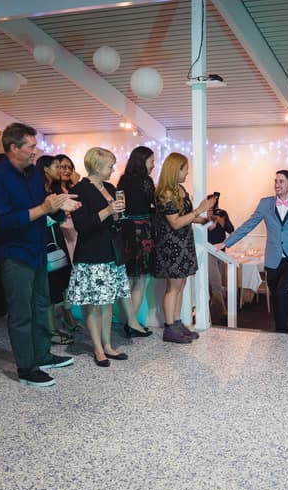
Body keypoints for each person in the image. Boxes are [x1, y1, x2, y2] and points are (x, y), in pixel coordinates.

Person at [0, 123, 79, 387]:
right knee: (21, 312)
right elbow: (4, 220)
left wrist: (61, 208)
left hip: (37, 250)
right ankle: (26, 368)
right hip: (15, 253)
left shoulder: (34, 174)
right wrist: (44, 208)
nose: (36, 151)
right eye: (31, 146)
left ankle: (43, 355)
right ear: (14, 148)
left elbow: (44, 207)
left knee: (40, 306)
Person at [219, 170, 288, 333]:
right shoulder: (265, 204)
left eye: (281, 181)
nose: (277, 185)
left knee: (282, 292)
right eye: (276, 181)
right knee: (276, 295)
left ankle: (282, 331)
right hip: (272, 259)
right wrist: (226, 243)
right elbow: (248, 225)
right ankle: (279, 328)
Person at [67, 147, 130, 366]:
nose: (113, 169)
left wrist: (118, 214)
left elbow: (116, 219)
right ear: (96, 166)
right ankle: (97, 348)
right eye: (110, 166)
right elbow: (82, 226)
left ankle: (108, 345)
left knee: (107, 303)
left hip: (111, 252)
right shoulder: (79, 190)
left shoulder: (110, 188)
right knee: (93, 305)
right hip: (91, 254)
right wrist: (108, 211)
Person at [154, 152, 214, 343]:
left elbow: (185, 216)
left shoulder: (180, 189)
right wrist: (199, 209)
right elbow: (175, 222)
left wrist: (203, 220)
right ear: (175, 170)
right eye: (185, 169)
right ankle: (169, 327)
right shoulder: (165, 194)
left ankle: (177, 322)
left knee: (181, 285)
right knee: (173, 287)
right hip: (171, 246)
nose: (187, 173)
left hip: (184, 244)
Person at [116, 146, 156, 338]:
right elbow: (155, 204)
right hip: (142, 232)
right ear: (143, 161)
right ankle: (132, 323)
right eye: (151, 161)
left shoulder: (123, 180)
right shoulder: (146, 181)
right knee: (140, 281)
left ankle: (130, 322)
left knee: (130, 279)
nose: (153, 165)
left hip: (125, 232)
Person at [36, 155, 74, 346]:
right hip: (44, 239)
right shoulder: (37, 189)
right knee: (49, 286)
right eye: (57, 166)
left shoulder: (55, 189)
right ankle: (49, 331)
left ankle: (54, 327)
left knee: (59, 283)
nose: (60, 170)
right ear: (45, 169)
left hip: (56, 238)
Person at [55, 153, 80, 331]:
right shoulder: (53, 190)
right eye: (62, 167)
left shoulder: (73, 188)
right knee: (66, 274)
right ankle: (66, 311)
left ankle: (67, 309)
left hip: (76, 233)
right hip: (62, 234)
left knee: (74, 275)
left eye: (69, 167)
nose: (66, 170)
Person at [207, 204, 234, 321]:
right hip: (208, 253)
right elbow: (207, 230)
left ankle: (216, 310)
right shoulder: (203, 218)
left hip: (221, 254)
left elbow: (230, 229)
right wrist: (209, 218)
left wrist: (220, 219)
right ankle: (222, 312)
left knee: (221, 283)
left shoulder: (221, 214)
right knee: (216, 282)